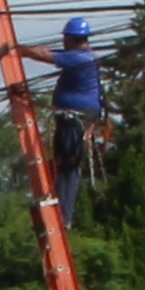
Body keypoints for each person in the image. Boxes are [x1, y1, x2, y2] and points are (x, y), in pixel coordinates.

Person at [45, 17, 106, 206]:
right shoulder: (84, 57)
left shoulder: (79, 57)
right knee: (62, 162)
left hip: (76, 119)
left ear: (71, 38)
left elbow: (45, 55)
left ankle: (63, 212)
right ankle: (61, 205)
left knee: (68, 165)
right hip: (75, 118)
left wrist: (16, 49)